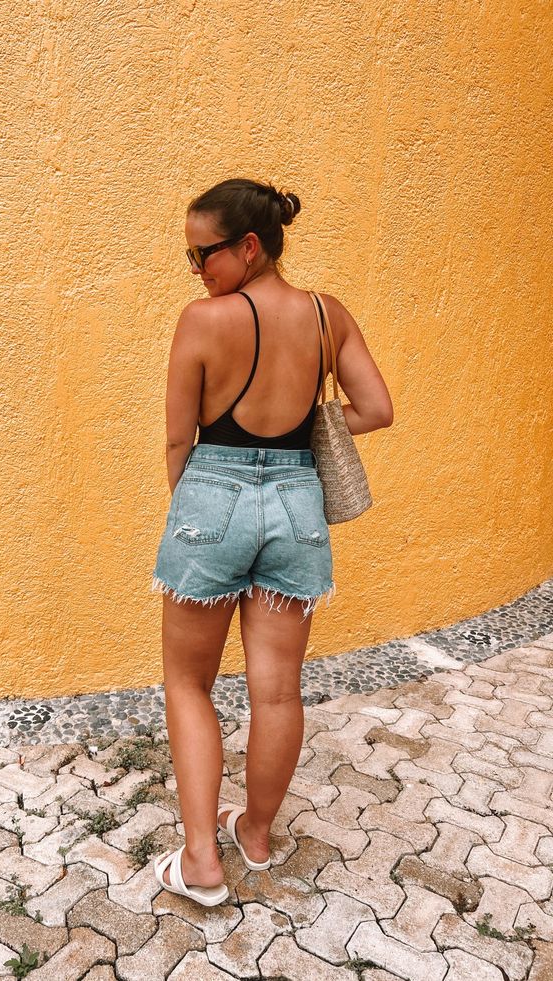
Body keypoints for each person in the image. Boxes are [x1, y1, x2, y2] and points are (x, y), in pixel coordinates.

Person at [151, 178, 394, 905]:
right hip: (298, 503)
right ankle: (254, 835)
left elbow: (176, 436)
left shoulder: (202, 320)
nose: (197, 271)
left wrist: (193, 509)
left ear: (248, 246)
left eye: (204, 254)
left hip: (212, 494)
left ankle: (201, 858)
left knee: (189, 682)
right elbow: (377, 409)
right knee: (278, 690)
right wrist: (310, 431)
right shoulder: (327, 315)